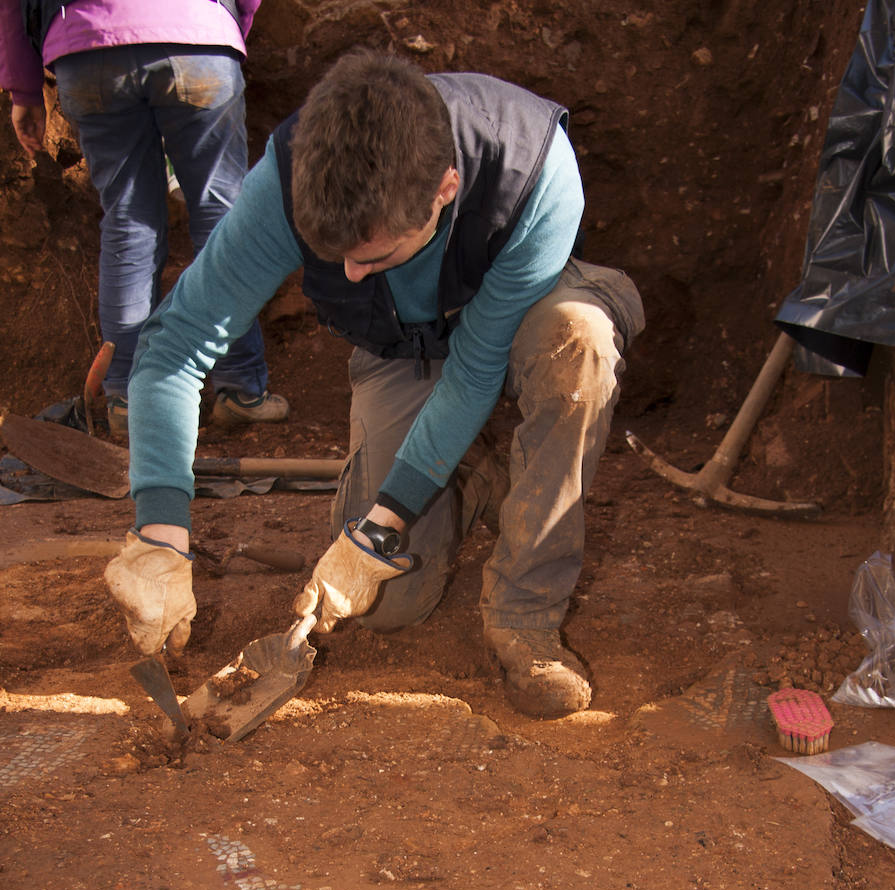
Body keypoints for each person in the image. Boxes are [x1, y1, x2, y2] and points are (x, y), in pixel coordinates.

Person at [104, 48, 645, 718]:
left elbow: (476, 368)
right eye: (336, 257)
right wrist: (160, 533)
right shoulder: (289, 180)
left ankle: (524, 616)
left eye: (374, 255)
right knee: (392, 605)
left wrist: (380, 526)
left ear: (445, 189)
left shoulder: (535, 171)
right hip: (405, 346)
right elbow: (176, 347)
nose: (352, 276)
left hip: (515, 320)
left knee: (575, 342)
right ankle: (469, 475)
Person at [0, 0, 288, 432]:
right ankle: (241, 387)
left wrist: (23, 90)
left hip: (88, 47)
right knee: (221, 216)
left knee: (127, 221)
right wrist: (228, 26)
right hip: (196, 37)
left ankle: (128, 399)